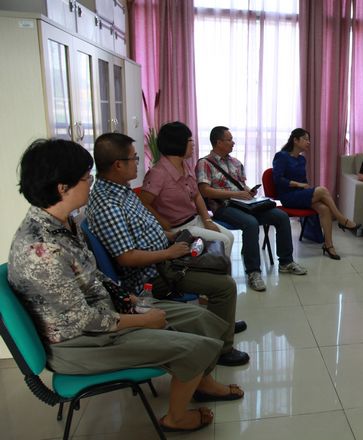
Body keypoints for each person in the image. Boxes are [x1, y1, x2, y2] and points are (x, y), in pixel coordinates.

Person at [8, 139, 245, 433]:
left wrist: (127, 298)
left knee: (201, 318)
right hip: (82, 343)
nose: (91, 183)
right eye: (86, 178)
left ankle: (202, 383)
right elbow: (82, 320)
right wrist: (143, 319)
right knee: (194, 346)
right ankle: (176, 418)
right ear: (62, 188)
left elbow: (92, 274)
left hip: (105, 312)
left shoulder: (62, 223)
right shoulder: (41, 250)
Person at [86, 132, 249, 366]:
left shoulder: (122, 190)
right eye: (134, 159)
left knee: (217, 257)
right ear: (118, 165)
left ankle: (219, 326)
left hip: (165, 254)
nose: (138, 163)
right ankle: (223, 349)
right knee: (224, 285)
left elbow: (145, 226)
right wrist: (169, 252)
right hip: (153, 273)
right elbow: (127, 258)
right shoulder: (109, 204)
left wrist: (171, 237)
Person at [197, 126, 308, 292]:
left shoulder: (236, 163)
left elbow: (242, 186)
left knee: (281, 216)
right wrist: (236, 194)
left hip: (244, 203)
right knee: (251, 223)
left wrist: (249, 191)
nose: (233, 142)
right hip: (223, 207)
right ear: (218, 142)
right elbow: (204, 191)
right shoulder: (205, 163)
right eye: (229, 140)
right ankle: (253, 272)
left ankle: (286, 262)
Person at [138, 122, 234, 253]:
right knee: (223, 241)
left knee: (229, 237)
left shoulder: (184, 165)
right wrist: (162, 222)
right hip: (177, 228)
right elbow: (143, 203)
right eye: (190, 140)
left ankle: (219, 265)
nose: (193, 144)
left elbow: (197, 195)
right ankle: (216, 266)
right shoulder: (158, 173)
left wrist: (207, 220)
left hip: (194, 219)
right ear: (177, 143)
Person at [273, 128, 360, 260]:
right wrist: (298, 185)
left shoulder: (302, 159)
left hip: (300, 194)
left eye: (309, 140)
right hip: (288, 197)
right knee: (322, 190)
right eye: (305, 139)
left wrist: (306, 188)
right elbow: (278, 179)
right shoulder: (281, 156)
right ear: (295, 140)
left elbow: (304, 181)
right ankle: (342, 219)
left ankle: (329, 245)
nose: (308, 142)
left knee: (324, 209)